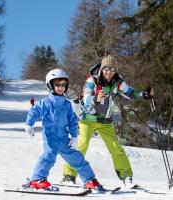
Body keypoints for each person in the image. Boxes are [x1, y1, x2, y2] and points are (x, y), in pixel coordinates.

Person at [62, 55, 154, 187]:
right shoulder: (92, 80)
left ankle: (126, 176)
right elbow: (86, 97)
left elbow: (131, 93)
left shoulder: (118, 83)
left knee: (116, 148)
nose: (109, 72)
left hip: (106, 122)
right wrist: (96, 99)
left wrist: (144, 94)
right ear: (102, 69)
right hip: (88, 119)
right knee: (81, 146)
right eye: (106, 69)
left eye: (112, 69)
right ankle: (69, 175)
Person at [24, 68, 103, 191]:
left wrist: (75, 136)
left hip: (64, 138)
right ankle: (37, 179)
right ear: (50, 85)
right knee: (48, 156)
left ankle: (89, 180)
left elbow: (72, 121)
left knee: (77, 158)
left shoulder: (67, 104)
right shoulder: (45, 103)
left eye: (63, 85)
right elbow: (34, 111)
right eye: (57, 84)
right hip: (50, 138)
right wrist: (29, 124)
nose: (61, 87)